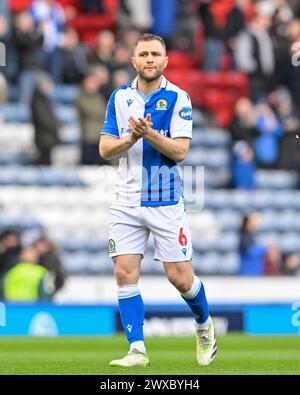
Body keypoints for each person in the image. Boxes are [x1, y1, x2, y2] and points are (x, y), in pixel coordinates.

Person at [99, 33, 216, 368]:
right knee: (124, 272)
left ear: (165, 61)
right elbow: (105, 148)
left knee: (179, 277)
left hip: (164, 198)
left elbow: (180, 151)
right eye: (143, 54)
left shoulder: (179, 98)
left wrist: (148, 134)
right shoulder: (119, 98)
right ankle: (137, 349)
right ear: (133, 60)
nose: (149, 59)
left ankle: (204, 325)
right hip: (125, 197)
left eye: (155, 54)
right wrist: (130, 138)